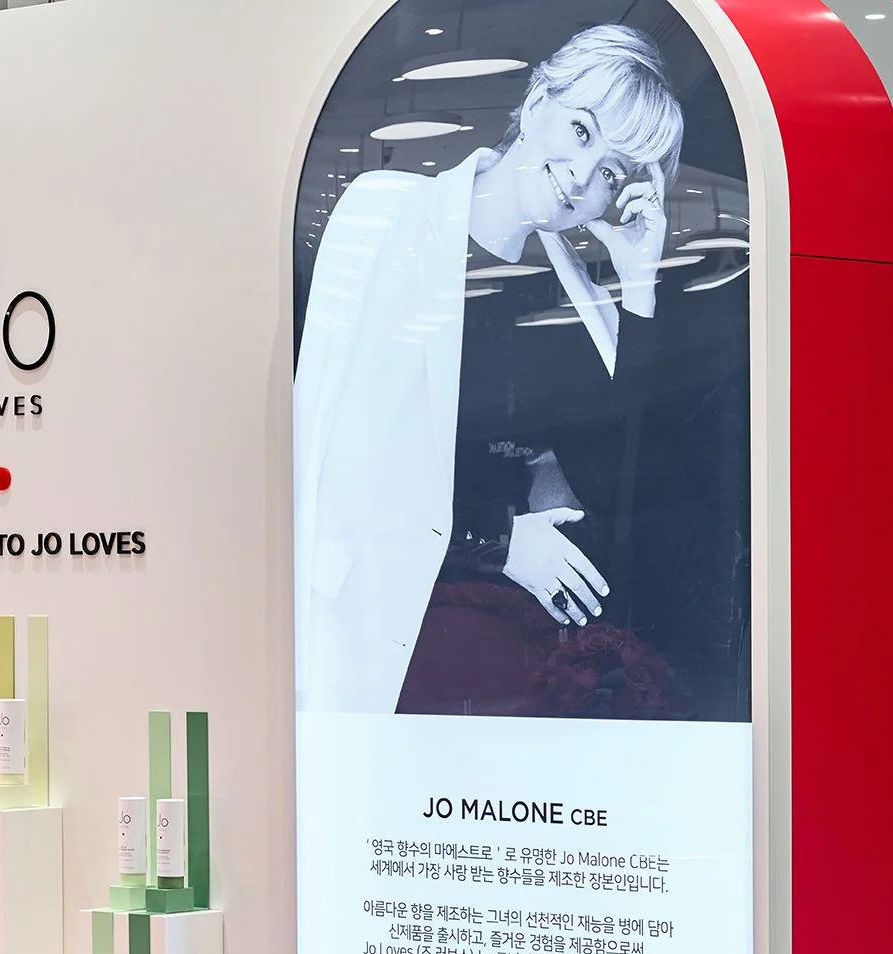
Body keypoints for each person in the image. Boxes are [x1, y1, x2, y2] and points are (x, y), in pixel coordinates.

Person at [293, 24, 686, 714]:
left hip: (539, 666)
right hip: (401, 637)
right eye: (583, 132)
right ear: (536, 104)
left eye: (612, 173)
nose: (582, 176)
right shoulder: (386, 215)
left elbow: (631, 494)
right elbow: (330, 453)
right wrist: (498, 539)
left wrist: (638, 283)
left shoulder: (585, 302)